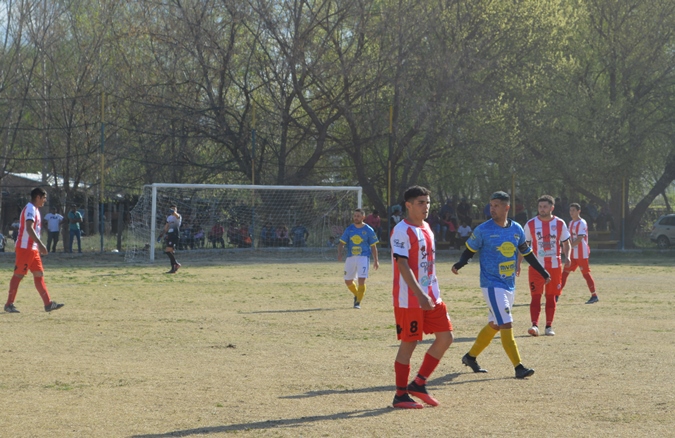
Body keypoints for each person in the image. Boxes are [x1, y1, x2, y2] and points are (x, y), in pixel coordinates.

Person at [452, 191, 549, 379]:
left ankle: (470, 357)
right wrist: (460, 263)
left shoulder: (517, 229)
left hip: (508, 284)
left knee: (495, 324)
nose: (492, 208)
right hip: (491, 284)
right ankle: (518, 367)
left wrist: (543, 271)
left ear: (506, 207)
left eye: (496, 205)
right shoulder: (483, 229)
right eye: (491, 205)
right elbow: (469, 250)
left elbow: (527, 253)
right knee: (506, 322)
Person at [390, 186, 453, 409]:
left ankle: (418, 383)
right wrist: (420, 295)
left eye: (427, 202)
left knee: (445, 338)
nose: (425, 207)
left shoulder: (427, 227)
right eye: (420, 202)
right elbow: (403, 265)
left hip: (432, 295)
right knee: (410, 343)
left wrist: (430, 294)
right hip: (410, 298)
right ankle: (400, 395)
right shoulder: (401, 230)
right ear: (408, 205)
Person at [4, 187, 64, 313]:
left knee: (39, 274)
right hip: (26, 247)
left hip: (33, 249)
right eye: (44, 198)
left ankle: (48, 304)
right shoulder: (30, 209)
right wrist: (41, 244)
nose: (45, 201)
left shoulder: (35, 209)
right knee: (18, 275)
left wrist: (37, 246)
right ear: (37, 197)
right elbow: (29, 228)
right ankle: (9, 304)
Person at [521, 195, 571, 337]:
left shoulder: (560, 223)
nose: (542, 209)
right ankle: (534, 325)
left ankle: (549, 326)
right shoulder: (530, 224)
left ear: (552, 208)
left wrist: (567, 256)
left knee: (551, 297)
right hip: (536, 267)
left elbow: (566, 243)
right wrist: (518, 263)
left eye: (545, 207)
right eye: (540, 207)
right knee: (535, 297)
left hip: (555, 267)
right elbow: (524, 246)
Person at [337, 208, 379, 309]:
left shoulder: (368, 230)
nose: (356, 218)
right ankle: (357, 295)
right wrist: (340, 253)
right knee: (348, 281)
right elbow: (342, 243)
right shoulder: (349, 229)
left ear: (363, 217)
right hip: (351, 257)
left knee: (361, 280)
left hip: (363, 258)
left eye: (358, 216)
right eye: (355, 216)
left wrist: (376, 260)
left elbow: (373, 246)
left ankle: (357, 303)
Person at [562, 203, 598, 304]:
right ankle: (556, 295)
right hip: (572, 254)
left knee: (586, 274)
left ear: (579, 211)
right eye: (570, 210)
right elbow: (568, 237)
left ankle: (594, 295)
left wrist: (568, 247)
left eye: (573, 210)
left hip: (582, 253)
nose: (571, 212)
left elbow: (579, 239)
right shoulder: (570, 223)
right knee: (564, 273)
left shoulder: (582, 223)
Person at [157, 205, 182, 274]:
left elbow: (176, 215)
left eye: (175, 209)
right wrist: (161, 235)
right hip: (170, 235)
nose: (173, 210)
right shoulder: (169, 218)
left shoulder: (178, 216)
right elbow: (166, 227)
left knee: (168, 251)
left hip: (175, 235)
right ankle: (173, 269)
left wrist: (174, 212)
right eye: (172, 209)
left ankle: (176, 264)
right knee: (171, 252)